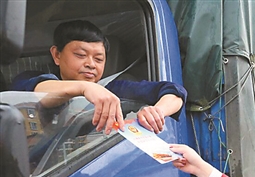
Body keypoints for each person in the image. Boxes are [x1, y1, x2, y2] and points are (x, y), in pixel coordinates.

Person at [11, 20, 187, 135]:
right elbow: (36, 92)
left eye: (99, 59)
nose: (91, 64)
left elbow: (175, 92)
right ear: (56, 55)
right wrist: (84, 88)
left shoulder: (112, 89)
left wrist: (157, 112)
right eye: (81, 55)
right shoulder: (31, 79)